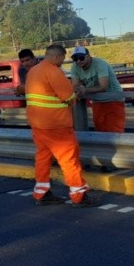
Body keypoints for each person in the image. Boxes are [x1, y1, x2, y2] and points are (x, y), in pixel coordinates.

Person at [25, 44, 100, 208]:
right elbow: (69, 97)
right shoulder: (53, 71)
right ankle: (79, 196)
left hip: (38, 124)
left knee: (43, 159)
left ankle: (42, 193)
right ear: (58, 56)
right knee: (69, 160)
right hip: (57, 125)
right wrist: (76, 95)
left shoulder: (33, 71)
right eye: (63, 58)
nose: (63, 61)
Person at [69, 46, 126, 133]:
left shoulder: (100, 64)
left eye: (81, 58)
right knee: (100, 129)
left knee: (114, 130)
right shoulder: (75, 67)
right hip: (97, 101)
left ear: (88, 56)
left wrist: (85, 90)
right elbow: (75, 85)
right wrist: (78, 90)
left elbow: (103, 87)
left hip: (113, 99)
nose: (78, 61)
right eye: (75, 59)